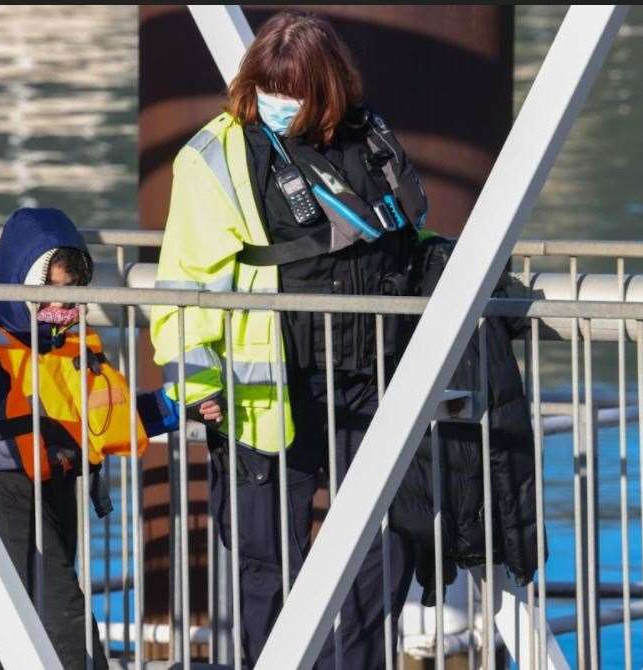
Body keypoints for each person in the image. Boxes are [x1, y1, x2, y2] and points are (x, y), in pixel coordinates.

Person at [150, 12, 428, 668]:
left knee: (397, 529)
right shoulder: (217, 156)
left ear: (327, 89)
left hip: (370, 372)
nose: (277, 101)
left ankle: (344, 661)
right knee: (264, 553)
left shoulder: (368, 137)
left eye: (293, 90)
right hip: (265, 384)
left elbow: (410, 229)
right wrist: (198, 385)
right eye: (267, 87)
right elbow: (187, 281)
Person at [0, 208, 198, 670]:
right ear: (21, 283)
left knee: (22, 621)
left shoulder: (76, 347)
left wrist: (178, 408)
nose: (64, 305)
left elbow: (110, 417)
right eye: (51, 291)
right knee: (67, 626)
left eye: (74, 293)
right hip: (6, 497)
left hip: (58, 493)